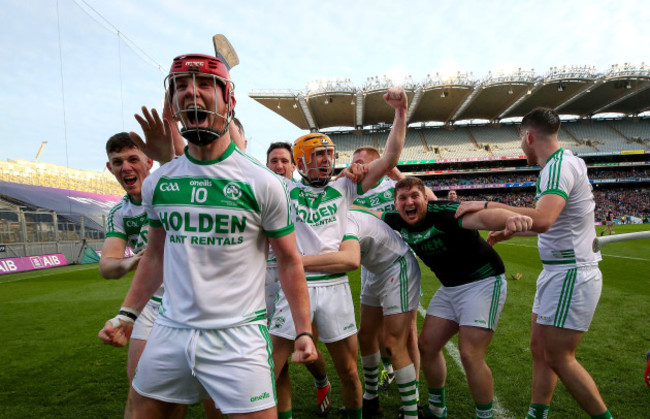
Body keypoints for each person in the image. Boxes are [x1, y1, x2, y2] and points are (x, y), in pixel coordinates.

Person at [98, 53, 316, 419]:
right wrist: (128, 313)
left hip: (238, 338)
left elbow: (291, 261)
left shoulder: (261, 182)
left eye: (204, 85)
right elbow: (155, 255)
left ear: (228, 100)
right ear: (172, 102)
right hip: (170, 331)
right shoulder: (160, 182)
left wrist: (304, 331)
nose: (191, 93)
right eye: (181, 86)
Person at [456, 107, 613, 419]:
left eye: (520, 140)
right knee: (540, 351)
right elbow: (555, 225)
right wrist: (513, 232)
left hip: (571, 272)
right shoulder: (565, 162)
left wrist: (487, 203)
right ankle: (536, 415)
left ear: (529, 136)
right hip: (558, 270)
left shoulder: (557, 168)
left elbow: (543, 220)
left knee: (559, 356)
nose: (521, 146)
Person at [268, 87, 408, 419]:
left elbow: (389, 160)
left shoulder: (344, 187)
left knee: (348, 370)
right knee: (268, 370)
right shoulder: (283, 188)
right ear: (300, 161)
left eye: (328, 154)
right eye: (317, 155)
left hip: (335, 288)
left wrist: (400, 114)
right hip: (296, 287)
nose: (326, 160)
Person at [382, 176, 533, 419]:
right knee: (428, 346)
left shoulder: (444, 214)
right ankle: (436, 408)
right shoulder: (395, 219)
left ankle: (484, 416)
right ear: (396, 203)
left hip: (483, 281)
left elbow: (482, 218)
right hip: (450, 287)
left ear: (425, 199)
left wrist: (510, 218)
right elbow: (364, 212)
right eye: (402, 198)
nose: (409, 202)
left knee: (470, 354)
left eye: (414, 196)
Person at [301, 207, 422, 418]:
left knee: (394, 344)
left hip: (397, 265)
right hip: (377, 269)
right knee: (365, 336)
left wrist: (298, 262)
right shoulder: (331, 220)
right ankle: (371, 398)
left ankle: (412, 412)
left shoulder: (343, 221)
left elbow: (350, 260)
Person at [350, 146, 431, 401]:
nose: (358, 167)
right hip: (370, 265)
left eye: (362, 162)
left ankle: (413, 393)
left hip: (399, 262)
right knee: (370, 332)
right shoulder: (351, 191)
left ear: (378, 165)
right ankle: (380, 383)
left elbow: (427, 199)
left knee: (406, 335)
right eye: (354, 163)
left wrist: (395, 173)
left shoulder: (391, 188)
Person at [265, 141, 332, 417]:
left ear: (295, 166)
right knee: (274, 362)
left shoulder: (302, 194)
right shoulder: (260, 193)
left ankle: (322, 380)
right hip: (264, 282)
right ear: (266, 166)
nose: (279, 166)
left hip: (296, 279)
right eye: (273, 161)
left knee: (307, 349)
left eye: (284, 161)